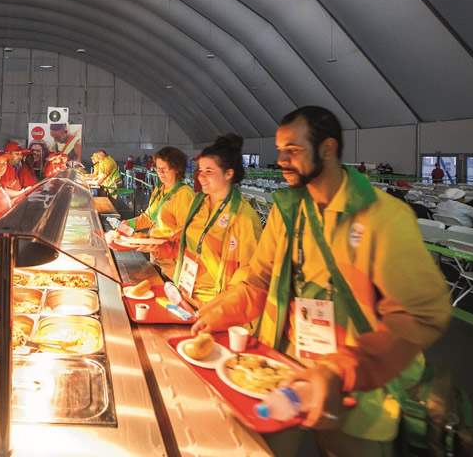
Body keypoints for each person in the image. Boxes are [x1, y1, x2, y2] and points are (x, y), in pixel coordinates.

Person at [193, 106, 451, 456]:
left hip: (358, 393)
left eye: (293, 150)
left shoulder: (382, 217)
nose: (281, 160)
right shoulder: (288, 210)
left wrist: (340, 371)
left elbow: (420, 315)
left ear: (327, 149)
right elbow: (259, 281)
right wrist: (218, 312)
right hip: (281, 375)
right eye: (280, 150)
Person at [170, 134, 262, 304]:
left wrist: (220, 308)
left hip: (214, 304)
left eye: (209, 171)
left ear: (228, 173)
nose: (201, 177)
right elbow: (189, 244)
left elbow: (249, 274)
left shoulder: (244, 217)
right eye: (200, 170)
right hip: (184, 293)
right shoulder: (198, 204)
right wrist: (162, 247)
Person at [115, 146, 195, 276]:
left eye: (165, 169)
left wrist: (162, 246)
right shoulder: (160, 189)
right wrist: (128, 224)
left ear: (177, 169)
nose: (160, 173)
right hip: (156, 255)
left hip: (172, 262)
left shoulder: (184, 195)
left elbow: (184, 233)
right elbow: (149, 217)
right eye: (158, 168)